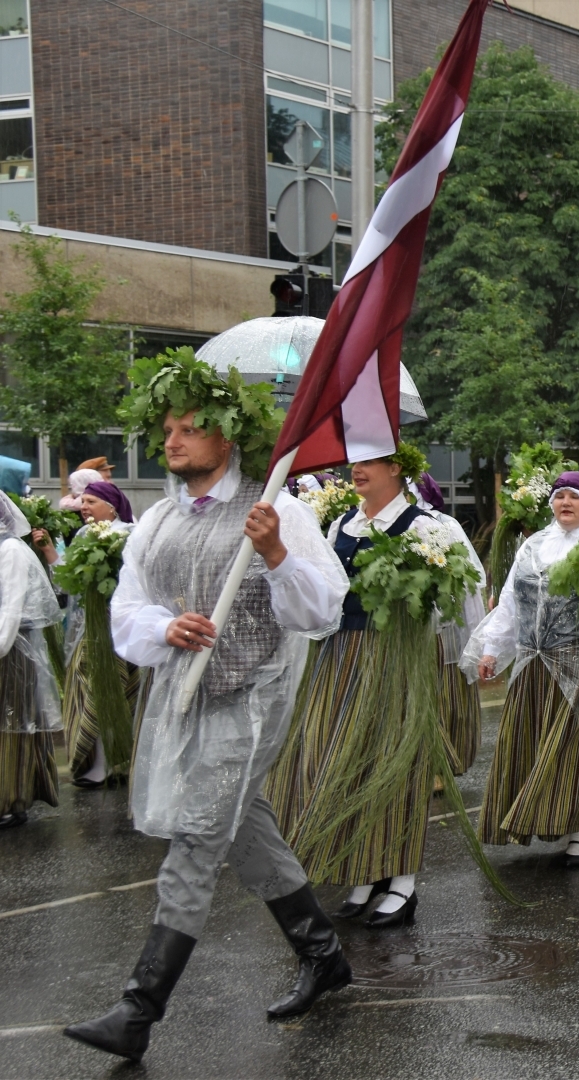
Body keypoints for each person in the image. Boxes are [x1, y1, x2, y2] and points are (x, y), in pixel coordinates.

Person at [66, 358, 351, 1063]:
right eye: (168, 430)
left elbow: (320, 609)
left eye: (189, 429)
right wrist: (165, 629)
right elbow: (127, 612)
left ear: (226, 438)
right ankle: (323, 955)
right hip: (182, 698)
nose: (173, 440)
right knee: (244, 828)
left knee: (197, 833)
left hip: (252, 698)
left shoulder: (273, 505)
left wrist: (277, 552)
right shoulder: (156, 520)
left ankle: (139, 1008)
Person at [267, 444, 465, 930]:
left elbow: (465, 588)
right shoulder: (342, 526)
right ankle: (365, 868)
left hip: (395, 657)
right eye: (354, 463)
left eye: (368, 462)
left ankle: (403, 881)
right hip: (340, 656)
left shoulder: (425, 526)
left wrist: (453, 652)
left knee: (394, 763)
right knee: (342, 763)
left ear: (396, 468)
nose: (356, 470)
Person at [466, 474, 579, 868]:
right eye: (559, 496)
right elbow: (510, 601)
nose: (565, 502)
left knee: (575, 745)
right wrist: (492, 649)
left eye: (575, 495)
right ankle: (551, 815)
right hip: (534, 664)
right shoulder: (534, 545)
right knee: (536, 742)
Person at [406, 471, 487, 776]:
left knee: (445, 694)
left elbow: (466, 583)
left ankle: (442, 761)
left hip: (443, 626)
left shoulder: (440, 525)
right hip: (410, 627)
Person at [61, 479, 138, 788]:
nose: (83, 507)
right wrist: (48, 553)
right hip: (88, 630)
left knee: (111, 689)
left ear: (111, 506)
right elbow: (66, 581)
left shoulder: (128, 536)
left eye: (91, 501)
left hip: (117, 630)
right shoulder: (83, 535)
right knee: (88, 691)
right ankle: (93, 762)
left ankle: (114, 762)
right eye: (82, 501)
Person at [0, 497, 65, 829]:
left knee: (11, 728)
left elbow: (10, 609)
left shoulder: (10, 551)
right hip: (8, 649)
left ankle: (10, 800)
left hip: (12, 654)